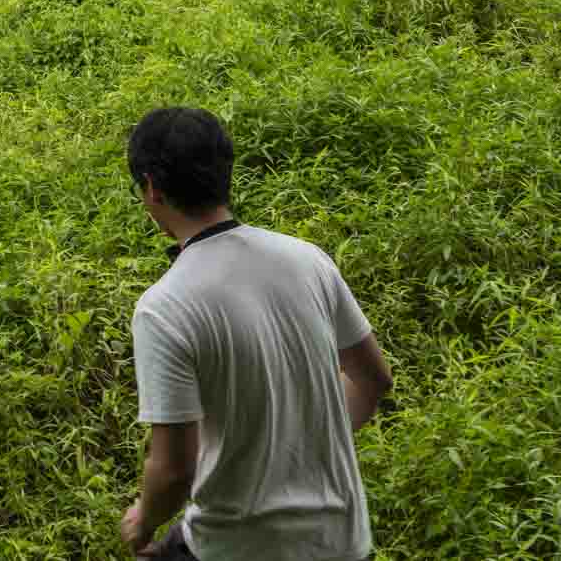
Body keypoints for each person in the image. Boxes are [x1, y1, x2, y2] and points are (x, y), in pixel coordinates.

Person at [120, 107, 393, 559]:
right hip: (343, 539)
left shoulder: (164, 307)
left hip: (240, 545)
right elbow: (373, 380)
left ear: (151, 189)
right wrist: (298, 454)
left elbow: (173, 470)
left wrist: (142, 521)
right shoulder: (308, 260)